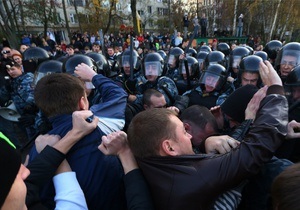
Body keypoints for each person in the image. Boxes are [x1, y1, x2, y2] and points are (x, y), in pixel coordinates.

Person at [125, 59, 288, 209]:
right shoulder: (193, 179)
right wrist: (276, 92)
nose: (189, 136)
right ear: (169, 147)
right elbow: (255, 151)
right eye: (183, 131)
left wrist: (206, 143)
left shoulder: (147, 161)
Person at [28, 70, 127, 209]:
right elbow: (118, 94)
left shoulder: (39, 150)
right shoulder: (99, 122)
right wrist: (93, 76)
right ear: (82, 102)